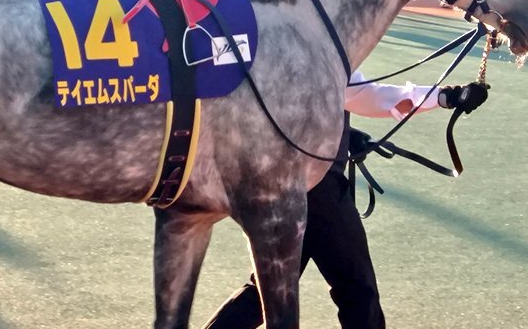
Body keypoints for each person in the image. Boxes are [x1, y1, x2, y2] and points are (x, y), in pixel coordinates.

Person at [202, 71, 489, 329]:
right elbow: (362, 94)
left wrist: (345, 133)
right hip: (315, 185)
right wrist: (445, 97)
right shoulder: (316, 41)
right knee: (357, 291)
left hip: (271, 182)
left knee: (267, 290)